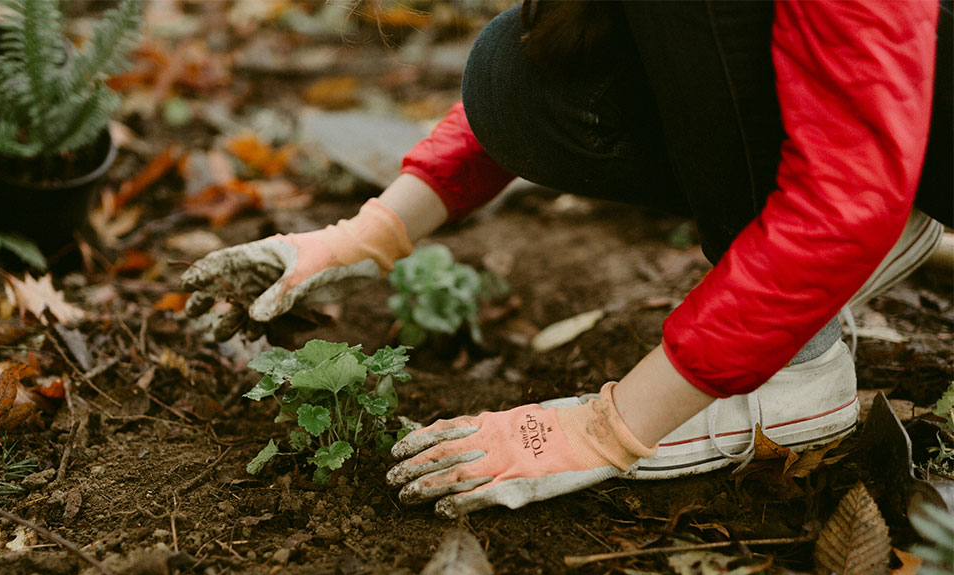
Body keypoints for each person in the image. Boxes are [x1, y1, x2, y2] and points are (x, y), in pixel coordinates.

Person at [184, 0, 952, 518]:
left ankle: (798, 371)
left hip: (903, 124)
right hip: (891, 118)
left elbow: (848, 194)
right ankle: (844, 253)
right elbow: (567, 50)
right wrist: (371, 232)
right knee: (510, 78)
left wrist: (610, 429)